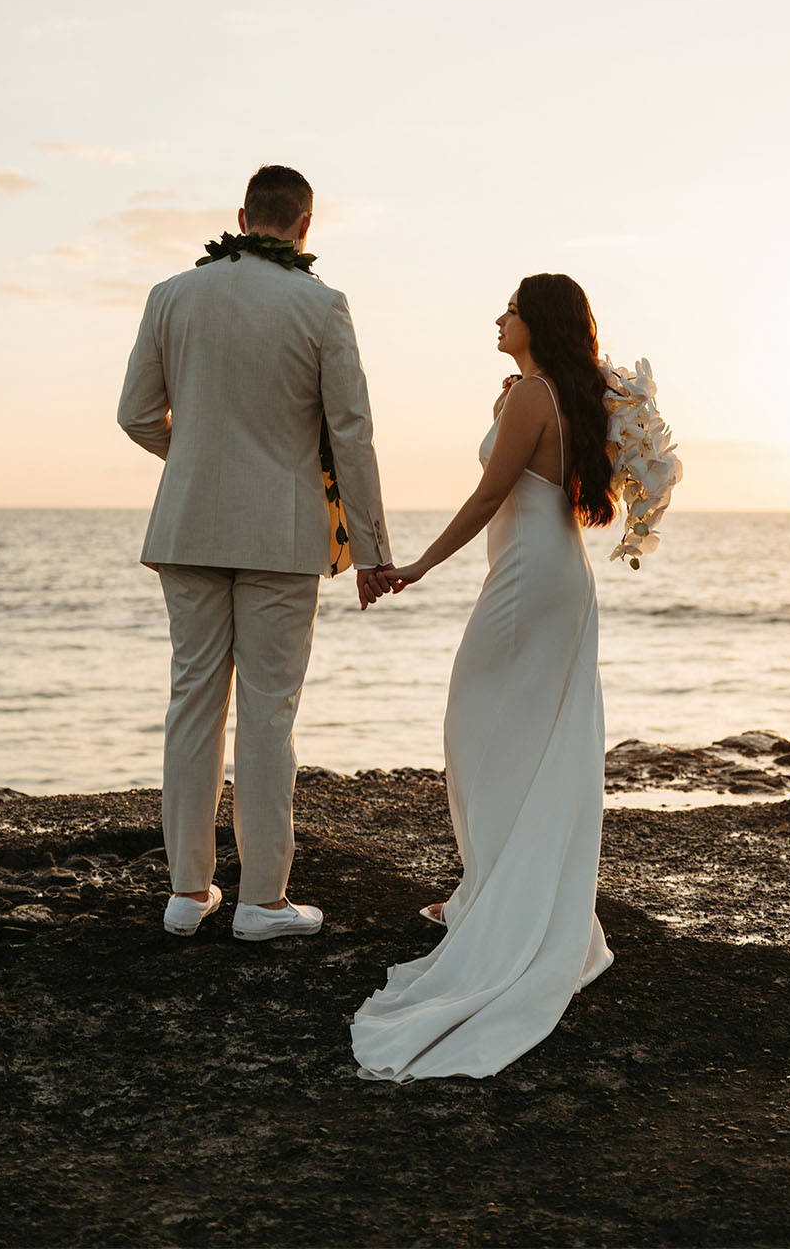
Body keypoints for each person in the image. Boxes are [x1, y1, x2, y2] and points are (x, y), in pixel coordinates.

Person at [117, 164, 393, 942]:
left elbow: (135, 414)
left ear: (241, 215)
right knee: (269, 714)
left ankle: (184, 894)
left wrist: (199, 463)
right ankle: (262, 902)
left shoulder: (171, 293)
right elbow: (352, 434)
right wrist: (371, 549)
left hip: (187, 526)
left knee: (191, 704)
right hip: (282, 530)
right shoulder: (320, 303)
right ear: (306, 225)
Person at [351, 272, 616, 1081]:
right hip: (551, 575)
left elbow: (488, 493)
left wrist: (420, 565)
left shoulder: (535, 394)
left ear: (535, 320)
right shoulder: (547, 393)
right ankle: (485, 893)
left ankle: (495, 904)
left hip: (528, 580)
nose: (496, 318)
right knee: (522, 742)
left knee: (478, 734)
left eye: (507, 308)